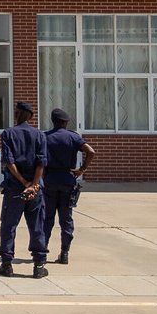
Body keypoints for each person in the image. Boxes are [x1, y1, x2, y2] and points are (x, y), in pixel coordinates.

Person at [0, 100, 47, 276]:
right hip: (35, 189)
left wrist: (24, 183)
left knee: (9, 225)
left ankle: (7, 263)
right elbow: (42, 162)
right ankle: (39, 265)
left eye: (17, 111)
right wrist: (34, 184)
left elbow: (9, 161)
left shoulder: (8, 134)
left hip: (14, 188)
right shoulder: (39, 135)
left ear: (21, 114)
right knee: (37, 225)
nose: (15, 114)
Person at [42, 107, 97, 265]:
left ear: (53, 121)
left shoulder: (45, 137)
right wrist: (82, 169)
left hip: (50, 179)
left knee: (47, 219)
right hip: (68, 179)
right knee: (66, 219)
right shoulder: (73, 137)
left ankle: (43, 252)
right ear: (66, 122)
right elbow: (91, 151)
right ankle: (64, 253)